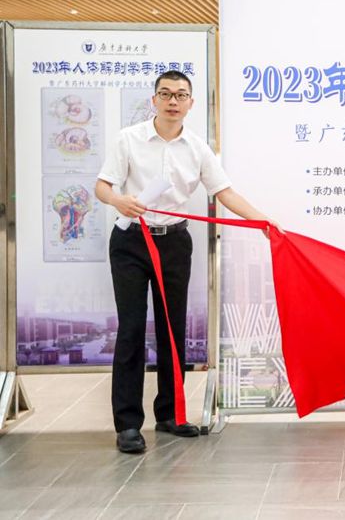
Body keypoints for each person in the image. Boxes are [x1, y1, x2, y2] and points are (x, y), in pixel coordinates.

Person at [96, 70, 278, 454]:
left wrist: (262, 221)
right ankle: (127, 424)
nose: (173, 101)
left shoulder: (197, 148)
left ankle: (170, 414)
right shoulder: (128, 139)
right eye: (165, 94)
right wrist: (118, 200)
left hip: (174, 244)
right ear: (154, 100)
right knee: (131, 330)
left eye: (180, 95)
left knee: (172, 328)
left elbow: (224, 192)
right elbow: (102, 186)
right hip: (131, 241)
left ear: (191, 103)